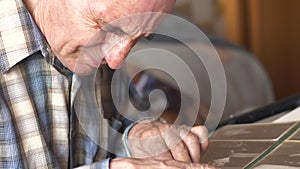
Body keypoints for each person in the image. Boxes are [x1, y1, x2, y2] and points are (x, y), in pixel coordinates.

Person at [0, 0, 217, 168]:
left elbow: (116, 126)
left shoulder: (103, 56)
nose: (116, 60)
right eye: (107, 28)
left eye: (140, 38)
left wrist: (136, 139)